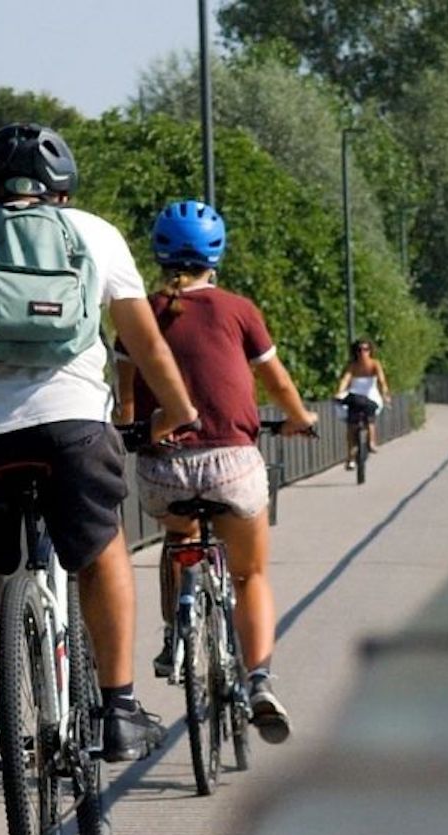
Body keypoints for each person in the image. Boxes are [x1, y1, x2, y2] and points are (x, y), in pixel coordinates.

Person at [0, 122, 200, 770]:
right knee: (99, 551)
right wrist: (178, 409)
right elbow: (144, 343)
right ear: (62, 187)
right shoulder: (95, 235)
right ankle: (119, 711)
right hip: (72, 424)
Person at [117, 199, 317, 745]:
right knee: (250, 574)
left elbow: (125, 399)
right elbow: (275, 382)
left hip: (164, 469)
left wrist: (131, 429)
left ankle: (176, 628)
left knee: (177, 537)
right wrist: (301, 418)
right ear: (217, 253)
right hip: (232, 464)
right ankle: (258, 681)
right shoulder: (239, 309)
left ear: (158, 251)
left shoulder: (138, 312)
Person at [334, 339, 391, 469]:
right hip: (354, 394)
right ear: (356, 351)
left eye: (366, 349)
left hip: (370, 394)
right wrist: (339, 391)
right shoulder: (353, 365)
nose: (362, 353)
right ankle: (350, 457)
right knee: (351, 426)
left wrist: (385, 393)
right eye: (359, 350)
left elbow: (382, 380)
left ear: (370, 351)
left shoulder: (374, 364)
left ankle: (371, 442)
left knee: (370, 416)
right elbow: (346, 379)